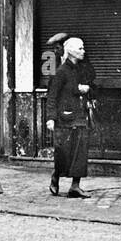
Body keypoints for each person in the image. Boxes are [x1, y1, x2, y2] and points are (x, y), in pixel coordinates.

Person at [45, 36, 94, 198]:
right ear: (72, 52)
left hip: (80, 114)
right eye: (80, 49)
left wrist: (85, 88)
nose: (83, 51)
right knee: (63, 152)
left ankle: (75, 186)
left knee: (80, 151)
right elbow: (52, 96)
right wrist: (51, 118)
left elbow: (91, 77)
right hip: (64, 117)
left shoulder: (80, 68)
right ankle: (56, 175)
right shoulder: (60, 72)